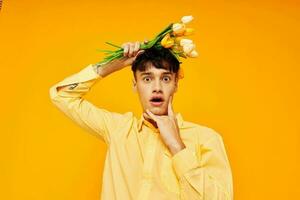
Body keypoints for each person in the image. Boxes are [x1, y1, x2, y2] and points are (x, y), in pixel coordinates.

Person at [49, 40, 233, 200]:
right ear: (135, 85)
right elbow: (62, 96)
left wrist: (177, 147)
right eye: (147, 79)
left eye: (166, 78)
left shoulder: (207, 139)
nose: (157, 88)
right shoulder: (118, 129)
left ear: (176, 84)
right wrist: (113, 64)